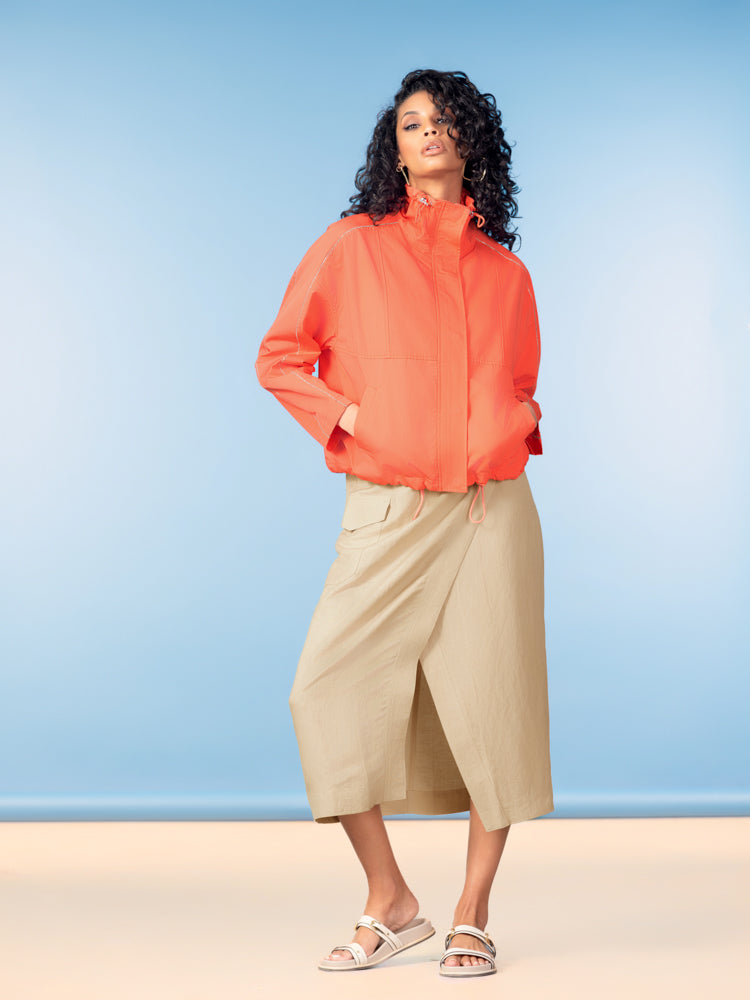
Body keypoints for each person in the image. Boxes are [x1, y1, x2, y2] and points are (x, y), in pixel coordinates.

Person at [255, 68, 554, 978]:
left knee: (494, 706)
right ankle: (392, 898)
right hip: (389, 507)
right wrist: (358, 424)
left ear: (470, 138)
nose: (424, 133)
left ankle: (472, 910)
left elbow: (519, 385)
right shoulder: (351, 246)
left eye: (440, 120)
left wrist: (512, 428)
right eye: (408, 123)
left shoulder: (507, 272)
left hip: (489, 511)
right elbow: (281, 357)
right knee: (326, 689)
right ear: (394, 149)